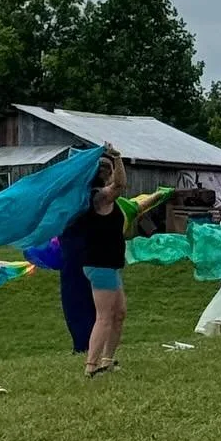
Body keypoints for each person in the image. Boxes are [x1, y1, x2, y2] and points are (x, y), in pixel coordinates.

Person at [70, 147, 129, 377]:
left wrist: (115, 163)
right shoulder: (97, 196)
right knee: (104, 316)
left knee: (119, 313)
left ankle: (107, 360)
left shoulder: (104, 195)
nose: (107, 170)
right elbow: (120, 185)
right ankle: (90, 367)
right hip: (100, 264)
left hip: (110, 265)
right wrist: (117, 157)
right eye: (103, 167)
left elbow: (118, 183)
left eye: (109, 166)